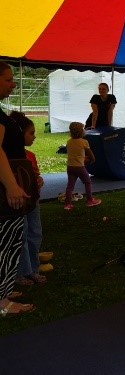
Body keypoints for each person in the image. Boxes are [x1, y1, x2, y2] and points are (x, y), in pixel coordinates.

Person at [0, 62, 36, 316]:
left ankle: (3, 289)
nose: (13, 84)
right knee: (6, 243)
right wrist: (11, 185)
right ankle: (1, 302)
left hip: (8, 186)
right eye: (8, 79)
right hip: (5, 190)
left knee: (11, 240)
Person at [10, 113, 46, 286]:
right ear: (18, 134)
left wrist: (39, 180)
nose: (34, 136)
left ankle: (33, 269)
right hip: (17, 204)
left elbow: (36, 176)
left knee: (35, 233)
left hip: (33, 201)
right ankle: (21, 272)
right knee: (21, 236)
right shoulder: (8, 158)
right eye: (31, 133)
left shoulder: (30, 155)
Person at [64, 122, 102, 210]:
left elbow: (75, 153)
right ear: (81, 132)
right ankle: (89, 200)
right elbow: (90, 153)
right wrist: (92, 159)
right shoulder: (84, 142)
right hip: (79, 167)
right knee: (87, 182)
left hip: (70, 167)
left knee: (70, 185)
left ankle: (67, 204)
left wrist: (82, 158)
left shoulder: (69, 142)